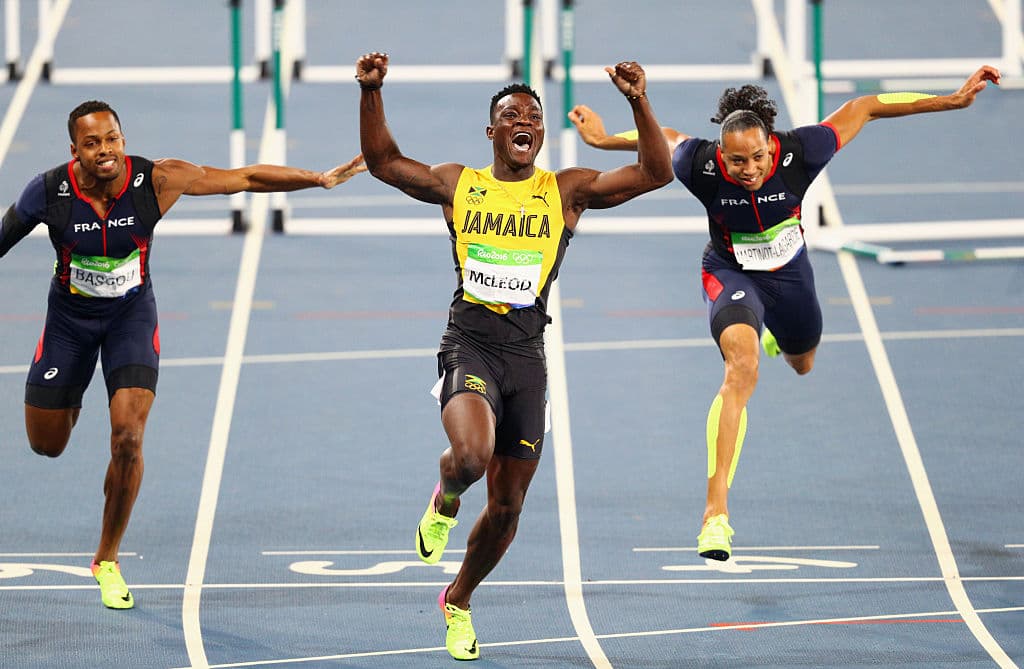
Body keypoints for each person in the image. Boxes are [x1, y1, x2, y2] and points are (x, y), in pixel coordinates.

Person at [568, 65, 1000, 562]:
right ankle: (716, 515)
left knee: (803, 362)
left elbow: (865, 107)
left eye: (756, 158)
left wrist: (950, 99)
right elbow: (660, 138)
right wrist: (601, 140)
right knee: (740, 369)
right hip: (730, 274)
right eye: (736, 162)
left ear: (771, 146)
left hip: (790, 276)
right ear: (721, 155)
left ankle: (778, 337)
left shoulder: (803, 152)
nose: (747, 170)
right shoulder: (700, 163)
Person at [357, 51, 672, 660]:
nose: (524, 120)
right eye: (511, 114)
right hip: (470, 343)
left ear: (540, 133)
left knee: (506, 509)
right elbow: (384, 163)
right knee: (471, 458)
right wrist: (371, 92)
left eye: (533, 114)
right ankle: (446, 495)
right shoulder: (459, 184)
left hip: (528, 359)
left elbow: (654, 173)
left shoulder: (567, 191)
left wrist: (639, 100)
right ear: (493, 132)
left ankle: (458, 599)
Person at [0, 100, 366, 610]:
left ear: (122, 140)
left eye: (111, 139)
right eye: (91, 143)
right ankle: (70, 396)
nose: (104, 150)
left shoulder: (156, 180)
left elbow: (245, 177)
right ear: (74, 151)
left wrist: (318, 179)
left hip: (130, 319)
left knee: (127, 437)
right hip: (68, 325)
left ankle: (106, 558)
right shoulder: (48, 191)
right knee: (48, 445)